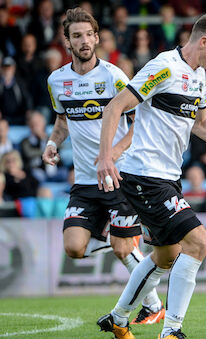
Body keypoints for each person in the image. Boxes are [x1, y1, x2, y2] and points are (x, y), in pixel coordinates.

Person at [95, 12, 206, 339]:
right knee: (198, 242)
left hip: (168, 177)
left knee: (166, 256)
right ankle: (171, 331)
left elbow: (200, 123)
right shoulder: (164, 67)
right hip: (144, 174)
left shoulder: (198, 77)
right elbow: (115, 106)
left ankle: (118, 318)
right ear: (203, 41)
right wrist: (105, 158)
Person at [43, 8, 165, 327]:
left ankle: (153, 306)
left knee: (123, 247)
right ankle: (119, 242)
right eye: (76, 36)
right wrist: (52, 144)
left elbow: (139, 124)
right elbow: (61, 121)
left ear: (97, 37)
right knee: (73, 248)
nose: (84, 41)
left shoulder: (113, 76)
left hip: (119, 176)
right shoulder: (57, 81)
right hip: (84, 182)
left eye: (88, 34)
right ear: (66, 41)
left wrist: (112, 153)